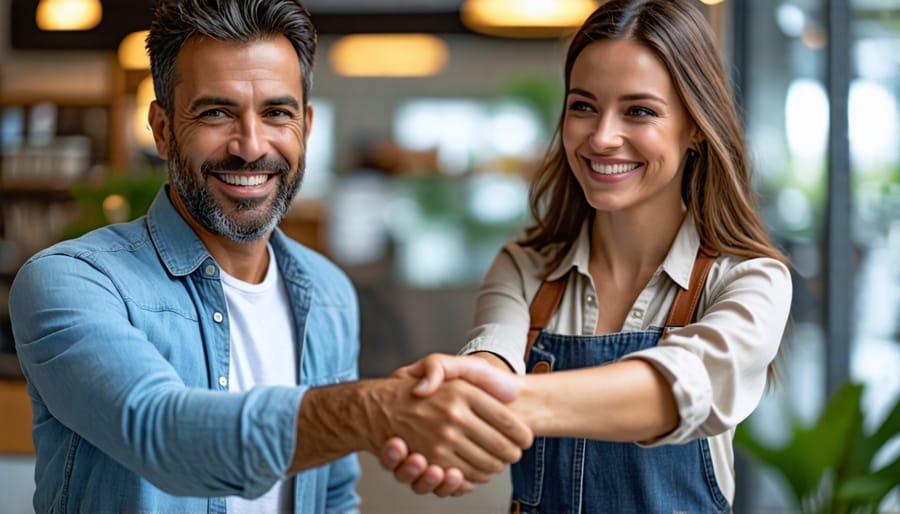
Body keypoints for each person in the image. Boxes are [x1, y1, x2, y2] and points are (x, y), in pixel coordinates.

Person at [8, 0, 532, 512]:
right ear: (163, 129)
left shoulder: (329, 292)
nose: (250, 146)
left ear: (305, 124)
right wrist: (374, 411)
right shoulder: (71, 282)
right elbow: (165, 435)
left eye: (276, 113)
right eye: (217, 112)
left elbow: (331, 495)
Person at [380, 0, 793, 512]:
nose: (602, 137)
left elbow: (676, 390)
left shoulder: (751, 281)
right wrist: (454, 417)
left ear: (695, 128)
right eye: (583, 106)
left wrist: (496, 402)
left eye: (639, 111)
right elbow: (490, 361)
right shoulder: (526, 267)